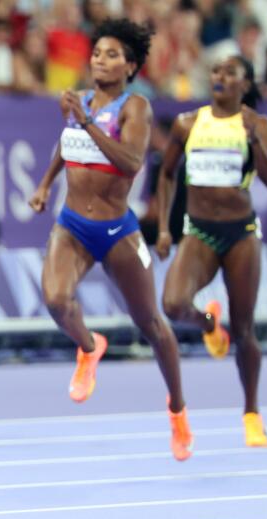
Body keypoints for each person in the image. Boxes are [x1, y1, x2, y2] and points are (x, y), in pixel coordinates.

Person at [29, 18, 193, 462]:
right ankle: (88, 346)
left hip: (119, 230)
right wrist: (45, 184)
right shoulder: (78, 101)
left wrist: (87, 122)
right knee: (56, 300)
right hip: (72, 225)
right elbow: (66, 145)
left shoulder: (133, 107)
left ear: (131, 65)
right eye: (97, 52)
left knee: (152, 325)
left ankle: (177, 408)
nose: (101, 60)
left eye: (112, 55)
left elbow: (131, 161)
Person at [156, 56, 267, 447]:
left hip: (241, 234)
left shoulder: (257, 125)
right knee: (173, 305)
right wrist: (162, 227)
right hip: (200, 233)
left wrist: (254, 139)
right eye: (215, 71)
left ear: (245, 84)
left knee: (245, 330)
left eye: (230, 73)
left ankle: (251, 413)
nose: (220, 77)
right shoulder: (188, 123)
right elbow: (167, 173)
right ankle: (209, 325)